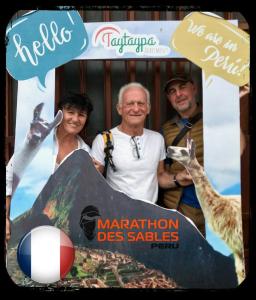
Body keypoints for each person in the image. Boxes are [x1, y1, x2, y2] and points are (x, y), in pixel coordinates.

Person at [6, 92, 93, 246]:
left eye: (81, 115)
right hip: (23, 218)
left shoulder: (85, 152)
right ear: (59, 114)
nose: (75, 119)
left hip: (61, 228)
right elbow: (11, 176)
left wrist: (93, 174)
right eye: (70, 112)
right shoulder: (40, 140)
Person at [91, 82, 191, 204]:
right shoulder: (103, 140)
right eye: (130, 104)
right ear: (119, 109)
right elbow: (92, 183)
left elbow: (159, 176)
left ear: (148, 108)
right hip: (117, 217)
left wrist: (178, 179)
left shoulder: (157, 139)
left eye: (141, 103)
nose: (136, 108)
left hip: (149, 216)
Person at [161, 74, 205, 236]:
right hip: (179, 210)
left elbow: (239, 150)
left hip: (213, 209)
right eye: (172, 91)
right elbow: (161, 173)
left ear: (194, 88)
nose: (178, 94)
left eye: (182, 87)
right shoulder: (165, 130)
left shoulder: (215, 119)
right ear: (169, 98)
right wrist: (177, 178)